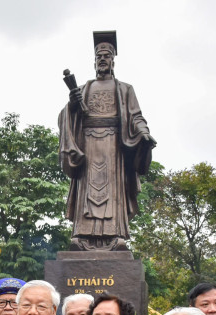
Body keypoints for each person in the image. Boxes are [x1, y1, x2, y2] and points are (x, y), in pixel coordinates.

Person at [58, 31, 156, 251]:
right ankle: (83, 236)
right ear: (94, 62)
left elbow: (136, 117)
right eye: (99, 56)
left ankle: (115, 235)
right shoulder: (84, 89)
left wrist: (144, 133)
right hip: (88, 146)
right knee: (88, 191)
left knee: (112, 193)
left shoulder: (125, 89)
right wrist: (73, 106)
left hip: (114, 147)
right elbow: (65, 116)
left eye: (106, 56)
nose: (102, 59)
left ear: (113, 61)